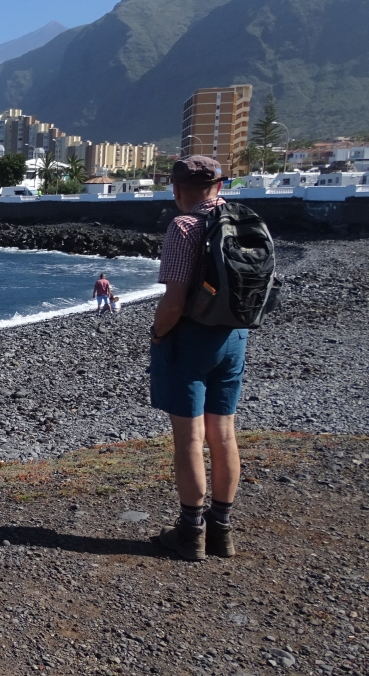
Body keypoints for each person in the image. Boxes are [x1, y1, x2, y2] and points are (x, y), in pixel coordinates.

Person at [149, 155, 244, 561]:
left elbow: (173, 301)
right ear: (219, 186)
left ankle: (191, 532)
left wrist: (157, 334)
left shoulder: (184, 226)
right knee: (223, 433)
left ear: (176, 189)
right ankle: (221, 530)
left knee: (189, 437)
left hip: (190, 339)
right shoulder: (242, 220)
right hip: (234, 335)